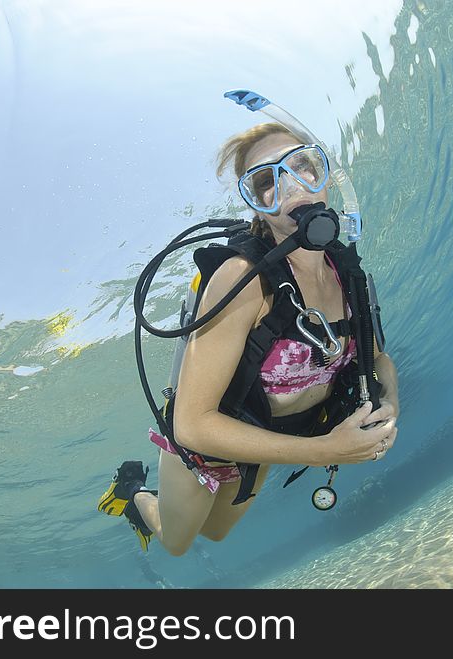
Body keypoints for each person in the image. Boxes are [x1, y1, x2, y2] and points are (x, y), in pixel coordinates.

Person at [98, 121, 400, 556]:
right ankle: (133, 493)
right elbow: (193, 423)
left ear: (325, 175)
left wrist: (391, 404)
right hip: (203, 446)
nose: (293, 186)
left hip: (264, 442)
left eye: (303, 166)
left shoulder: (347, 272)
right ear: (256, 206)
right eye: (266, 183)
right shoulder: (242, 280)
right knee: (178, 542)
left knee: (216, 533)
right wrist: (324, 449)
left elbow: (378, 359)